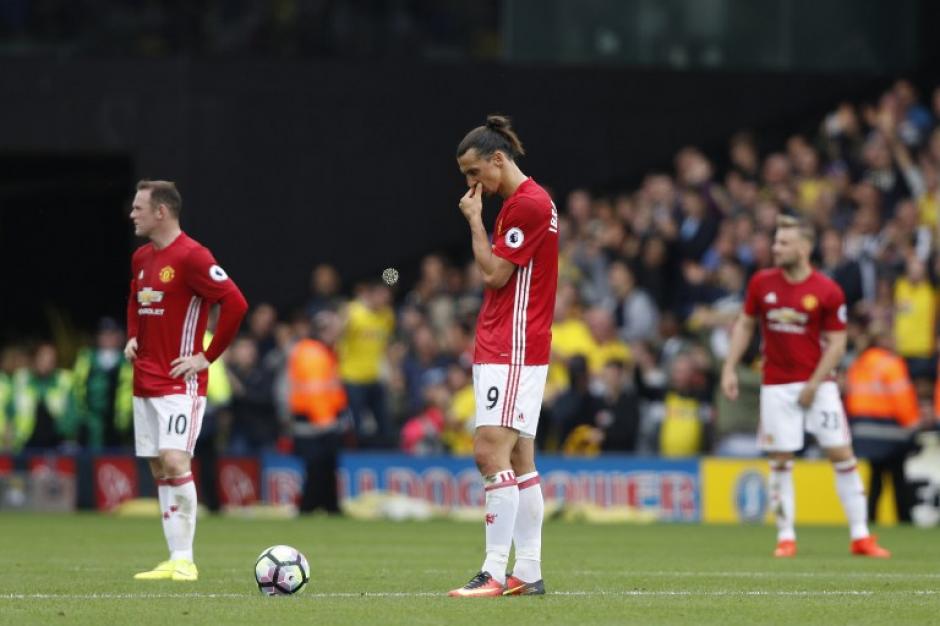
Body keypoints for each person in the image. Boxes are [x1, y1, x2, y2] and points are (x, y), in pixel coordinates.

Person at [721, 215, 890, 558]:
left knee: (841, 454)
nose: (775, 248)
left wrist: (814, 384)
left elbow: (838, 344)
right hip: (776, 386)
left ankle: (861, 536)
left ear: (804, 248)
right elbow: (745, 325)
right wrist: (729, 367)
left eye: (783, 242)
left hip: (819, 385)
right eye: (775, 241)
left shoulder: (827, 291)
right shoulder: (762, 283)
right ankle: (786, 537)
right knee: (780, 460)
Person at [449, 115, 558, 597]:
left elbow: (494, 275)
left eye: (474, 172)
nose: (472, 184)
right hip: (515, 343)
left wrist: (474, 221)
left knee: (488, 451)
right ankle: (527, 571)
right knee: (519, 457)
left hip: (512, 344)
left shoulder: (526, 204)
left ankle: (493, 572)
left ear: (498, 159)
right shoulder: (526, 202)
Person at [127, 180, 248, 581]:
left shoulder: (194, 256)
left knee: (176, 459)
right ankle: (175, 556)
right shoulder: (141, 257)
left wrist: (206, 357)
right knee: (160, 466)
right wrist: (132, 336)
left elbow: (235, 303)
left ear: (161, 212)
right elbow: (136, 298)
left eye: (139, 208)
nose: (132, 214)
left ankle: (186, 560)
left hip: (180, 382)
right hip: (144, 380)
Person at [845, 320, 918, 523]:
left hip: (864, 428)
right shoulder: (890, 363)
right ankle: (904, 517)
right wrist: (912, 423)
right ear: (885, 340)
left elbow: (851, 398)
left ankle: (870, 517)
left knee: (875, 477)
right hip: (890, 430)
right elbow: (902, 397)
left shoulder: (859, 363)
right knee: (898, 476)